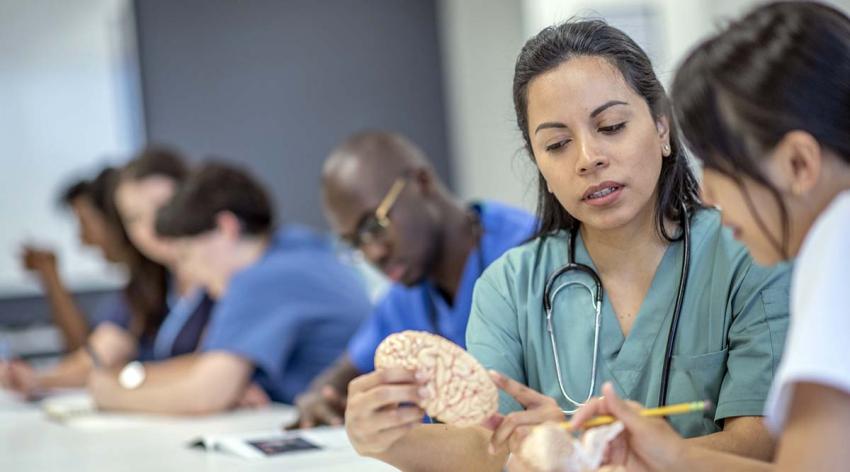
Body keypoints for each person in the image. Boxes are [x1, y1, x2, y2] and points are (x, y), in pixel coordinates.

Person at [342, 19, 793, 470]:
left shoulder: (749, 251)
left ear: (662, 127)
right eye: (557, 144)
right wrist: (382, 439)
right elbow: (487, 445)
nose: (587, 158)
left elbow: (762, 438)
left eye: (612, 126)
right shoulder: (509, 285)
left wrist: (595, 457)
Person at [569, 2, 850, 470]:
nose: (710, 194)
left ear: (799, 164)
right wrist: (674, 456)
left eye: (720, 166)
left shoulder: (836, 239)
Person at [292, 131, 537, 428]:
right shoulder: (407, 291)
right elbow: (342, 377)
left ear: (422, 182)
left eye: (374, 225)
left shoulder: (531, 254)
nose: (373, 253)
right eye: (355, 242)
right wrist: (320, 398)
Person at [88, 161, 371, 413]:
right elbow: (213, 373)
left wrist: (109, 394)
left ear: (226, 227)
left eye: (186, 254)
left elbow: (205, 394)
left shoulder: (259, 279)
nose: (188, 272)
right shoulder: (295, 247)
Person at [1, 153, 212, 397]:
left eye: (163, 207)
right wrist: (37, 379)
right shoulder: (149, 284)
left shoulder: (223, 279)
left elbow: (210, 370)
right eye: (134, 219)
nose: (155, 226)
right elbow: (100, 354)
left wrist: (121, 379)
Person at [20, 169, 128, 350]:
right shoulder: (132, 293)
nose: (83, 239)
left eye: (84, 223)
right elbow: (89, 352)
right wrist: (49, 274)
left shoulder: (153, 289)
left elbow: (86, 351)